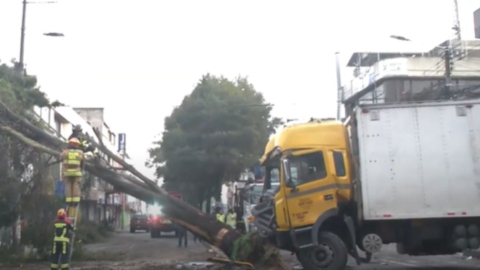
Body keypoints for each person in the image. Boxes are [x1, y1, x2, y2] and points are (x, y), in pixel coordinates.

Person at [60, 138, 85, 208]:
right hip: (76, 173)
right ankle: (75, 201)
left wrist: (63, 151)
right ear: (77, 145)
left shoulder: (65, 152)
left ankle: (69, 201)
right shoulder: (80, 152)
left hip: (67, 173)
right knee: (76, 186)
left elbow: (60, 157)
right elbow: (84, 160)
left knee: (68, 186)